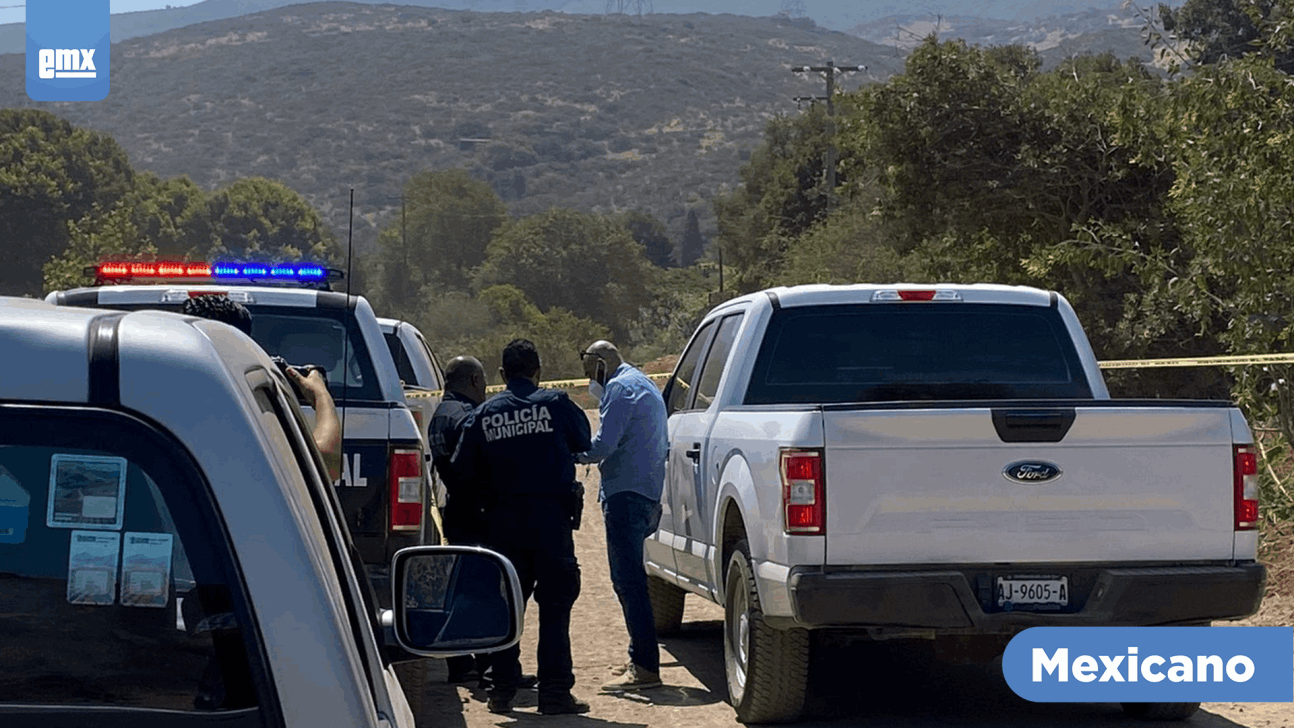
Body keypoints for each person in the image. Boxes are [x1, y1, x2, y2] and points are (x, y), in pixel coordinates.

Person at [449, 338, 592, 716]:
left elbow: (461, 471)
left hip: (503, 528)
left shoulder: (483, 414)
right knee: (556, 611)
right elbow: (583, 440)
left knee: (506, 612)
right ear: (538, 370)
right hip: (552, 527)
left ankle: (501, 692)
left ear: (501, 375)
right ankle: (556, 693)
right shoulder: (557, 404)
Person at [429, 355, 537, 688]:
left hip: (457, 512)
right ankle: (495, 670)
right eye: (484, 382)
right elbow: (481, 467)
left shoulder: (439, 416)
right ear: (475, 381)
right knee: (492, 591)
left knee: (464, 588)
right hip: (478, 513)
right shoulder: (467, 417)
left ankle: (462, 664)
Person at [575, 340, 669, 692]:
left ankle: (645, 667)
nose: (589, 380)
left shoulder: (618, 387)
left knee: (628, 583)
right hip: (645, 493)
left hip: (625, 496)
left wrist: (566, 453)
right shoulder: (643, 382)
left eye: (589, 371)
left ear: (600, 363)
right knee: (631, 580)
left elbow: (602, 446)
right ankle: (638, 655)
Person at [181, 294, 342, 483]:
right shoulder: (238, 407)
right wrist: (321, 395)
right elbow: (327, 464)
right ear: (242, 345)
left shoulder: (157, 393)